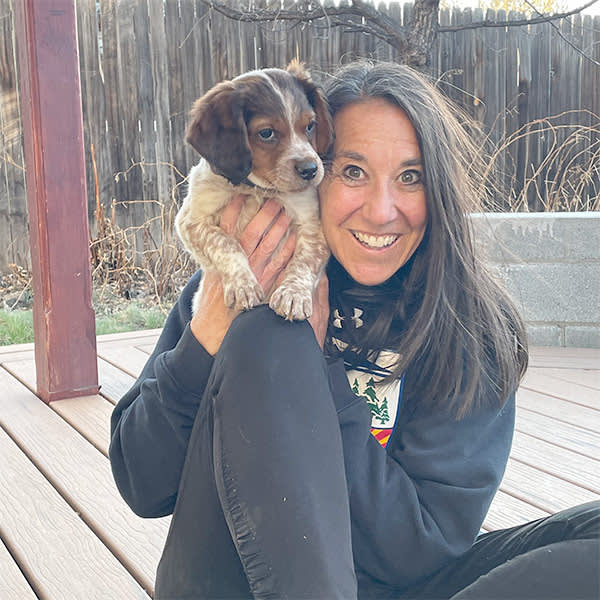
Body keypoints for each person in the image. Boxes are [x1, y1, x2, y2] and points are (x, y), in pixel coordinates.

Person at [109, 61, 599, 599]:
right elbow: (142, 483)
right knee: (267, 335)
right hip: (242, 581)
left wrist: (321, 380)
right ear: (314, 169)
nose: (382, 211)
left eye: (410, 177)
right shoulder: (248, 278)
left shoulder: (468, 326)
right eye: (352, 171)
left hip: (398, 582)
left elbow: (419, 549)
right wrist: (210, 330)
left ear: (438, 191)